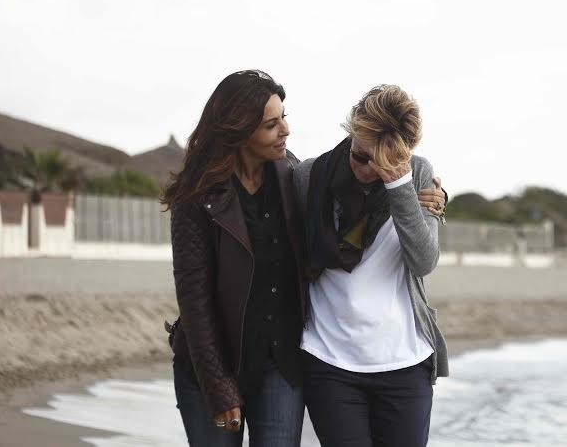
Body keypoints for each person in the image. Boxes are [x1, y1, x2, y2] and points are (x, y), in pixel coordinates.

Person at [161, 71, 446, 447]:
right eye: (271, 124)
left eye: (284, 117)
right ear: (239, 130)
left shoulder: (296, 177)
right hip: (241, 360)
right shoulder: (215, 194)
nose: (285, 130)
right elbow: (194, 300)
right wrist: (217, 386)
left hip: (287, 360)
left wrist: (414, 192)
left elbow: (417, 252)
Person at [294, 84, 449, 447]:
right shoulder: (310, 176)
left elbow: (423, 261)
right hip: (329, 359)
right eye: (359, 156)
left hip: (405, 362)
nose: (366, 170)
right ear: (351, 133)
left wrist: (399, 185)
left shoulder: (418, 174)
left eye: (380, 161)